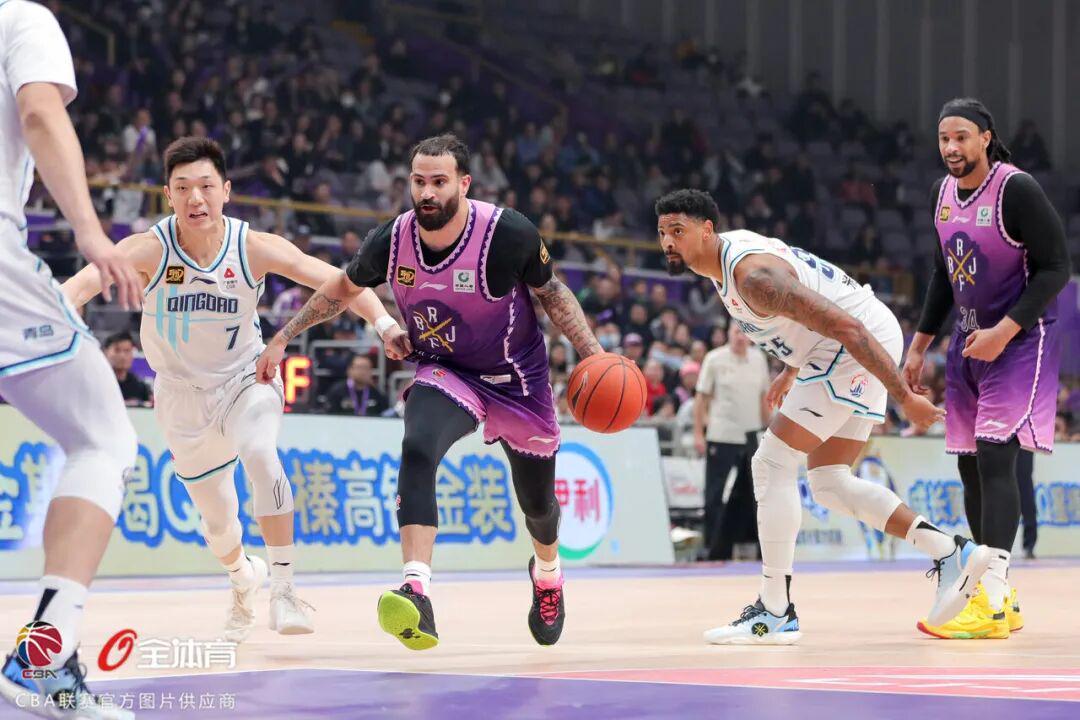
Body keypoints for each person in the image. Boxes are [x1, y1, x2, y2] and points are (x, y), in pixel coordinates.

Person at [257, 134, 603, 650]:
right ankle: (416, 589)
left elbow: (551, 292)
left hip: (515, 379)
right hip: (447, 370)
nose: (427, 192)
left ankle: (548, 574)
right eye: (418, 181)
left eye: (439, 182)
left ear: (464, 184)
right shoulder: (392, 239)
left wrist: (594, 355)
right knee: (418, 446)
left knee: (537, 506)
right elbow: (343, 289)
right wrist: (283, 336)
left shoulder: (507, 233)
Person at [62, 137, 410, 644]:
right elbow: (77, 288)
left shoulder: (252, 246)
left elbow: (339, 280)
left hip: (247, 378)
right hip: (181, 399)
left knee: (261, 454)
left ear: (225, 191)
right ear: (168, 195)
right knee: (219, 525)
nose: (195, 198)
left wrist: (383, 322)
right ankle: (243, 577)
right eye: (183, 188)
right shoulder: (149, 248)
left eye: (206, 186)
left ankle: (285, 590)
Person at [655, 188, 990, 645]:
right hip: (848, 341)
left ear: (707, 230)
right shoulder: (724, 264)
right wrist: (792, 368)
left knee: (770, 462)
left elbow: (845, 327)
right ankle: (950, 551)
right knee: (829, 481)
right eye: (663, 233)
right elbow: (807, 309)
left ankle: (775, 610)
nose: (668, 242)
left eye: (678, 231)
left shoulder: (753, 277)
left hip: (854, 345)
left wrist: (902, 397)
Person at [0, 2, 142, 717]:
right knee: (103, 439)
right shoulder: (21, 18)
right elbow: (38, 111)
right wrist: (89, 230)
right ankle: (43, 660)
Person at [903, 99, 1068, 638]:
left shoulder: (1016, 189)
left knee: (997, 457)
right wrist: (919, 344)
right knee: (970, 466)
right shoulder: (941, 195)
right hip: (968, 343)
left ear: (986, 138)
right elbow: (942, 275)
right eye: (944, 138)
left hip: (1019, 340)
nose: (951, 147)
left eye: (962, 137)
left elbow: (1057, 268)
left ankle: (989, 601)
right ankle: (997, 594)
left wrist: (1005, 330)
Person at [694, 323, 770, 561]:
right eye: (736, 331)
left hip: (751, 437)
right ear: (728, 334)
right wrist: (698, 433)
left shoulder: (759, 359)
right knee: (714, 495)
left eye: (745, 332)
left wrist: (768, 432)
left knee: (755, 496)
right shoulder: (714, 359)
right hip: (721, 435)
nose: (740, 337)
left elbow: (764, 399)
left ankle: (759, 548)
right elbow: (701, 398)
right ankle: (712, 549)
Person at [323, 353, 389, 416]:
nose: (363, 372)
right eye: (360, 367)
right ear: (349, 370)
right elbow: (329, 414)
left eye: (367, 368)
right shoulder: (337, 391)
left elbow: (384, 415)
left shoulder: (377, 394)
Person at [102, 331, 152, 406]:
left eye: (127, 351)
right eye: (117, 350)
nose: (122, 356)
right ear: (105, 352)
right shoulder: (99, 383)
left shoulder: (140, 387)